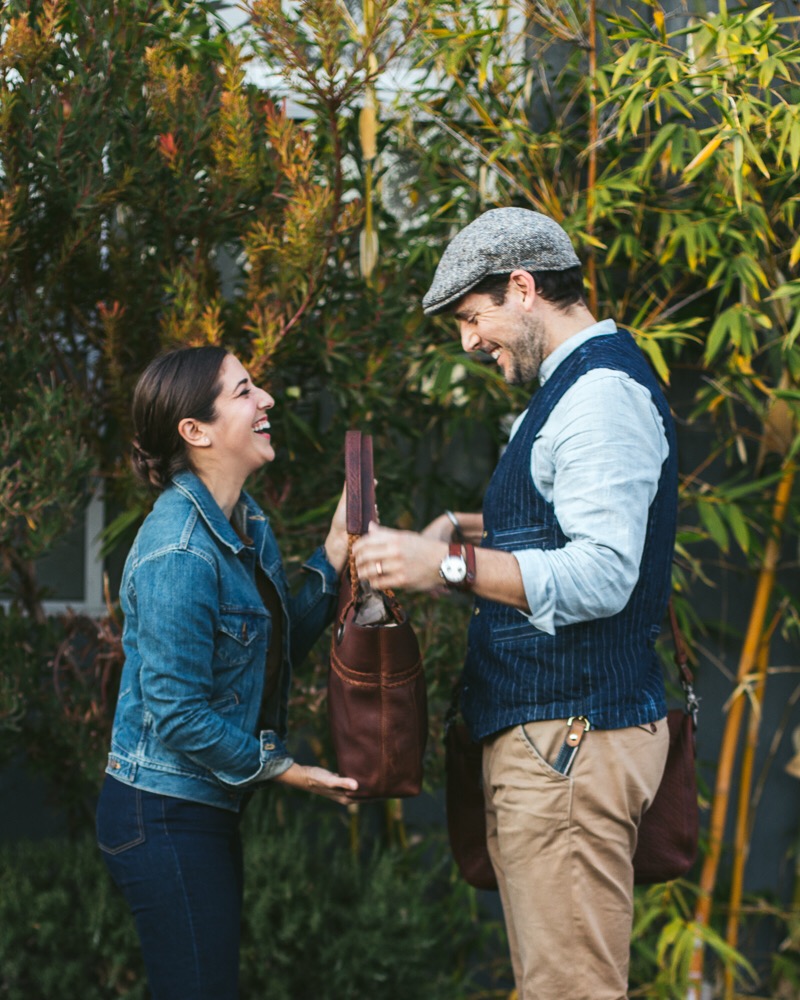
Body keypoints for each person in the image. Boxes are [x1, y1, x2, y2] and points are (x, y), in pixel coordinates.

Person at [352, 207, 677, 999]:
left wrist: (450, 566)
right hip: (559, 736)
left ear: (523, 288)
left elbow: (603, 574)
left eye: (473, 318)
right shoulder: (570, 390)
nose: (469, 342)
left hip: (572, 737)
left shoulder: (598, 396)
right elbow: (558, 522)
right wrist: (459, 528)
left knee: (570, 990)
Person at [95, 346, 357, 1000]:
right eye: (244, 392)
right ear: (196, 430)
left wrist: (332, 552)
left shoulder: (244, 523)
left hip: (199, 809)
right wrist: (287, 769)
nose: (266, 399)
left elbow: (270, 649)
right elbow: (178, 714)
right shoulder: (178, 550)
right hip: (160, 813)